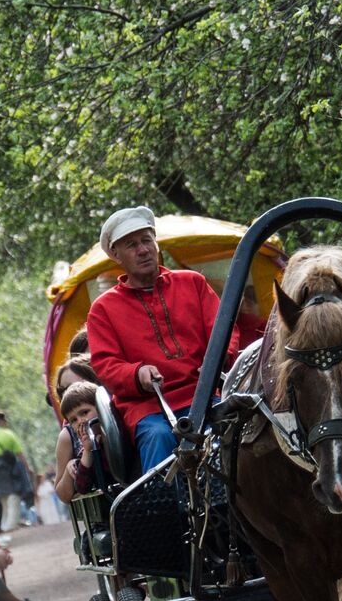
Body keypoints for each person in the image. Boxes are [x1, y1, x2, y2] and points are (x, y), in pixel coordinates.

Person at [86, 205, 243, 471]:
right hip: (148, 407)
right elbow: (105, 365)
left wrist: (218, 360)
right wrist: (137, 374)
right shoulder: (102, 309)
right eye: (132, 244)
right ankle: (164, 510)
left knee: (236, 430)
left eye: (147, 240)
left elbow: (224, 331)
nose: (143, 249)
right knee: (158, 436)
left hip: (204, 394)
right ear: (116, 254)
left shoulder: (192, 283)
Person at [0, 411, 35, 532]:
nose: (6, 423)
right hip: (10, 469)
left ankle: (3, 525)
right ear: (0, 421)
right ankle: (11, 525)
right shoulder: (8, 434)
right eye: (5, 420)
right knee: (14, 496)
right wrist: (27, 467)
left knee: (2, 498)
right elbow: (19, 453)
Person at [54, 381, 110, 502]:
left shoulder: (117, 433)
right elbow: (82, 487)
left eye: (84, 412)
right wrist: (88, 452)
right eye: (73, 420)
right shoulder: (84, 449)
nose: (80, 421)